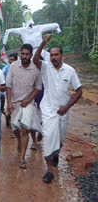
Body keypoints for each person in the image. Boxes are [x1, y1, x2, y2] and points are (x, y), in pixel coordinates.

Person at [33, 34, 82, 183]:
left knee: (59, 139)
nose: (53, 57)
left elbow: (79, 91)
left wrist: (66, 107)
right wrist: (43, 42)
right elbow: (35, 60)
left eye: (56, 55)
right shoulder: (46, 67)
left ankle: (56, 154)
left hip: (63, 111)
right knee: (48, 138)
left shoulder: (70, 71)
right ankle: (49, 171)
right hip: (48, 110)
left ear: (62, 56)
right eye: (52, 55)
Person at [6, 44, 42, 169]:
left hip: (28, 103)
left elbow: (38, 87)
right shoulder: (13, 66)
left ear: (31, 55)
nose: (25, 56)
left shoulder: (36, 69)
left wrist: (29, 99)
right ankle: (19, 142)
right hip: (15, 103)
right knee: (15, 129)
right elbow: (8, 85)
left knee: (25, 129)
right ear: (20, 54)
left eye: (27, 54)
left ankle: (22, 158)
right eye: (23, 54)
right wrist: (9, 103)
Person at [2, 53, 18, 134]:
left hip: (17, 95)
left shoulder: (20, 68)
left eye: (13, 60)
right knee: (6, 110)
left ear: (16, 60)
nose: (11, 62)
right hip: (7, 94)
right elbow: (1, 73)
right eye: (10, 60)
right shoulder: (6, 68)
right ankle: (8, 121)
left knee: (15, 112)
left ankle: (13, 130)